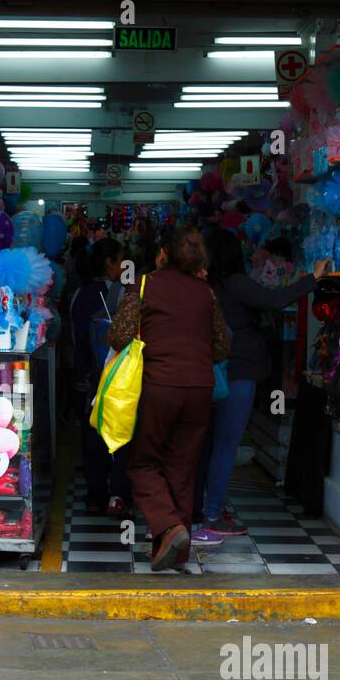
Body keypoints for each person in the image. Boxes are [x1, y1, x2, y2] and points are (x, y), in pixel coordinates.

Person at [108, 224, 230, 570]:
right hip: (200, 389)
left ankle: (169, 527)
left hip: (159, 386)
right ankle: (175, 548)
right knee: (182, 468)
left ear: (163, 254)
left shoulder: (145, 285)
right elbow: (222, 346)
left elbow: (118, 336)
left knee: (143, 463)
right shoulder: (206, 293)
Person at [194, 229, 328, 536]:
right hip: (237, 372)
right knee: (226, 446)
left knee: (209, 446)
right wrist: (313, 278)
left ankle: (205, 508)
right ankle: (212, 514)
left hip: (207, 373)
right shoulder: (235, 284)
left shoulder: (204, 285)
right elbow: (276, 300)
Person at [70, 238, 129, 516]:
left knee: (92, 437)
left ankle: (95, 495)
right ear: (110, 263)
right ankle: (117, 496)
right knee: (119, 435)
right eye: (121, 260)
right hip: (119, 379)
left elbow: (76, 337)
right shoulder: (120, 295)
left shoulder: (80, 294)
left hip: (89, 377)